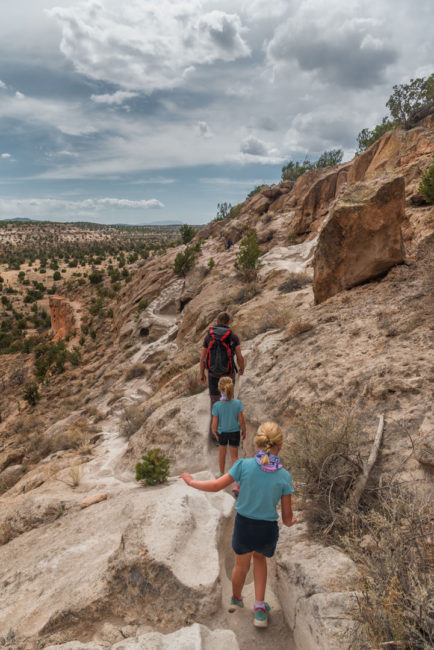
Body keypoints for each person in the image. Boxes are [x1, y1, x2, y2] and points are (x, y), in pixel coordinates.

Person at [180, 421, 296, 628]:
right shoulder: (284, 477)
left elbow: (216, 486)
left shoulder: (243, 465)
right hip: (267, 529)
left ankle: (236, 598)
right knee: (260, 560)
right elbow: (287, 518)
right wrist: (293, 521)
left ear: (257, 442)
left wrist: (192, 482)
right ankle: (260, 609)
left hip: (244, 525)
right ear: (281, 445)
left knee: (241, 565)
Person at [200, 310, 245, 412]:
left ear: (217, 321)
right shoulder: (233, 336)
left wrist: (202, 374)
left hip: (213, 374)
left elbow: (202, 358)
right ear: (228, 323)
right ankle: (228, 423)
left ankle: (215, 425)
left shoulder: (208, 336)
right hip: (228, 373)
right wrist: (241, 368)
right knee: (228, 398)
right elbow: (239, 357)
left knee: (215, 400)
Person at [212, 376, 246, 497]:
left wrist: (214, 431)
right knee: (234, 456)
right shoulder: (237, 403)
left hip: (223, 433)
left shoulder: (217, 405)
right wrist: (244, 430)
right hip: (234, 432)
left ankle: (221, 473)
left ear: (220, 389)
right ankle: (237, 482)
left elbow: (215, 422)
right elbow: (241, 420)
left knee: (222, 453)